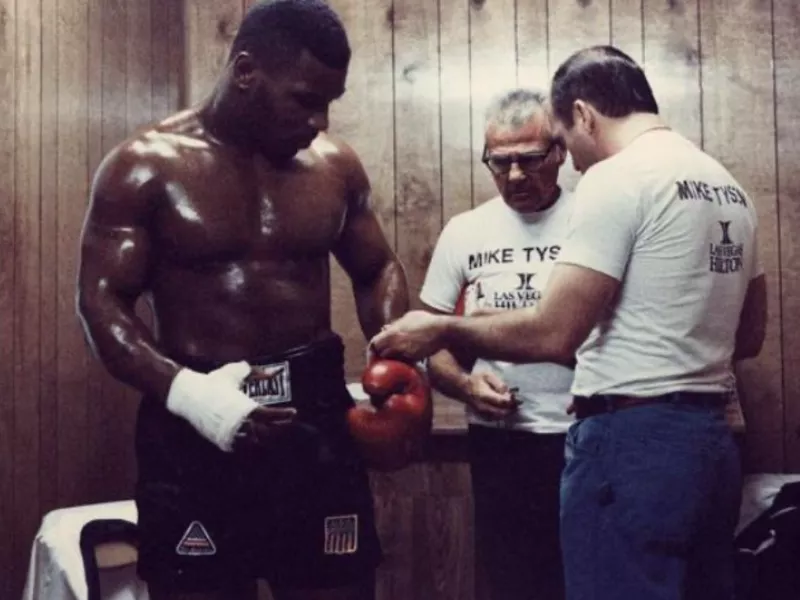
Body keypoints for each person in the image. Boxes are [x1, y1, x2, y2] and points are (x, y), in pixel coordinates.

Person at [370, 45, 767, 600]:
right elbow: (748, 335)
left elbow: (556, 333)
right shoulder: (727, 186)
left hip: (629, 439)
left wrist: (446, 328)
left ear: (581, 117)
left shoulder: (615, 179)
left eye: (562, 143)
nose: (578, 161)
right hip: (708, 441)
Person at [75, 1, 419, 599]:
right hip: (192, 416)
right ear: (245, 71)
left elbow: (377, 268)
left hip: (311, 416)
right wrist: (193, 396)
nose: (319, 119)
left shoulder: (333, 167)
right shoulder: (143, 168)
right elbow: (101, 302)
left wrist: (394, 362)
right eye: (304, 99)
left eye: (329, 101)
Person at [420, 88, 572, 600]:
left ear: (560, 152)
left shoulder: (594, 221)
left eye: (528, 160)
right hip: (500, 439)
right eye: (499, 162)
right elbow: (434, 342)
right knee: (512, 580)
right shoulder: (466, 232)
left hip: (586, 433)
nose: (513, 177)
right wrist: (464, 386)